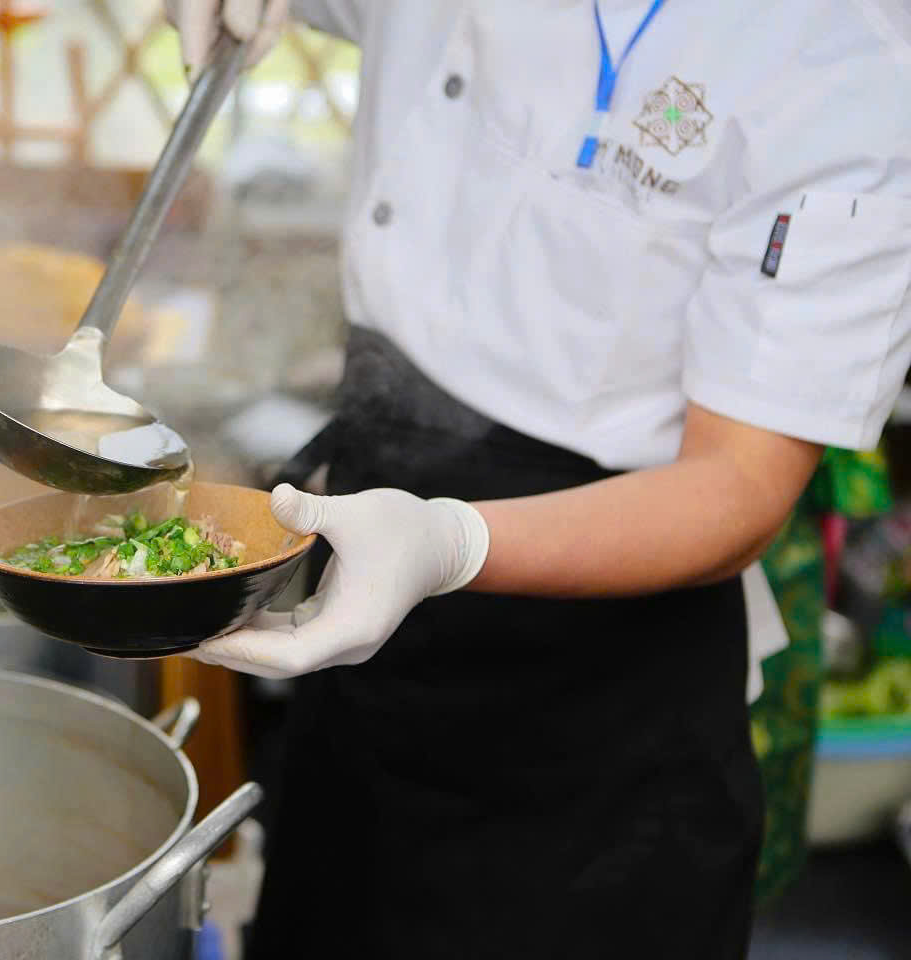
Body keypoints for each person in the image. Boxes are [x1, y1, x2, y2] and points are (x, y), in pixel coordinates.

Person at [161, 1, 911, 957]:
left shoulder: (844, 59)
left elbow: (739, 487)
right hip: (365, 583)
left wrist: (448, 542)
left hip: (601, 668)